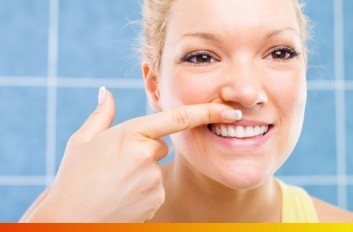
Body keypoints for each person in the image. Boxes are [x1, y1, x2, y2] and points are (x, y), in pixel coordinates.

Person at [20, 0, 353, 222]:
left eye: (279, 53)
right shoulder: (70, 214)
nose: (247, 92)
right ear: (154, 86)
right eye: (202, 57)